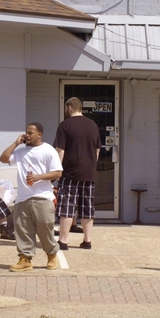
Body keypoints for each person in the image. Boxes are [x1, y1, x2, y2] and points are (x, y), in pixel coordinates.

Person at [0, 123, 63, 272]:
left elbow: (58, 173)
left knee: (45, 227)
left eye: (30, 133)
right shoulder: (21, 151)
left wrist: (38, 177)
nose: (27, 135)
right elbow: (3, 159)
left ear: (39, 134)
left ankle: (51, 254)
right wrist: (16, 143)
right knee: (23, 229)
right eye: (26, 133)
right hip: (23, 198)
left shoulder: (48, 150)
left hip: (42, 197)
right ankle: (25, 259)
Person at [54, 97, 101, 251]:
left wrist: (57, 170)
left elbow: (60, 150)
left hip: (70, 173)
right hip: (89, 173)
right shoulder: (93, 125)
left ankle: (63, 241)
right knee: (87, 207)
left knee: (67, 207)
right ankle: (87, 241)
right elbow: (97, 150)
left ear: (69, 108)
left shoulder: (65, 125)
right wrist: (91, 166)